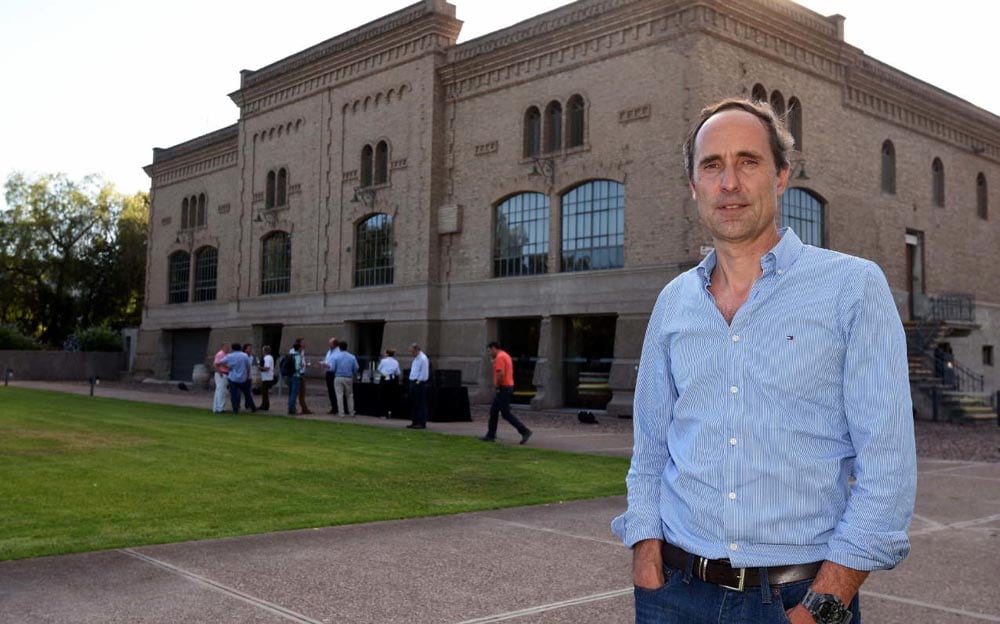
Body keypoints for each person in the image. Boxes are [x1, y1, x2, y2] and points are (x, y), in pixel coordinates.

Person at [611, 98, 916, 624]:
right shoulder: (673, 302)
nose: (729, 182)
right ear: (694, 187)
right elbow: (651, 449)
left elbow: (886, 468)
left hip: (800, 599)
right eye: (712, 166)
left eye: (747, 161)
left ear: (781, 177)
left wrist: (826, 603)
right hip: (675, 596)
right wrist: (645, 548)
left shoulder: (852, 288)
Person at [479, 341, 532, 444]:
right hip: (507, 387)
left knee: (505, 414)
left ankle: (524, 431)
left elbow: (501, 374)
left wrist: (497, 386)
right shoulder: (505, 355)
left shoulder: (499, 357)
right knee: (494, 411)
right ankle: (490, 434)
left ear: (494, 348)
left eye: (490, 351)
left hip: (503, 388)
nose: (489, 353)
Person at [218, 343, 256, 414]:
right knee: (247, 393)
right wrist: (247, 376)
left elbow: (220, 362)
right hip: (242, 378)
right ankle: (252, 407)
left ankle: (235, 409)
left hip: (232, 377)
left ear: (232, 349)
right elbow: (248, 367)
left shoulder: (230, 356)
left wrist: (227, 367)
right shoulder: (244, 355)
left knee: (233, 394)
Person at [331, 340, 359, 416]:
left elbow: (332, 368)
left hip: (338, 377)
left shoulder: (336, 357)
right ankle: (351, 412)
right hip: (349, 377)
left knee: (339, 395)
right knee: (349, 395)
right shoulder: (352, 357)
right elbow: (356, 368)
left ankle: (341, 412)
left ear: (339, 347)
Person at [406, 343, 429, 429]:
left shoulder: (423, 359)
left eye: (412, 352)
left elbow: (424, 372)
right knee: (414, 403)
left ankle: (421, 422)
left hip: (419, 383)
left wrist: (418, 382)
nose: (411, 353)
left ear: (416, 350)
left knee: (420, 403)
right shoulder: (416, 359)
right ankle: (415, 421)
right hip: (413, 381)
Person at [377, 348, 402, 418]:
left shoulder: (383, 361)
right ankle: (389, 412)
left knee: (383, 396)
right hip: (392, 380)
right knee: (390, 396)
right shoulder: (396, 362)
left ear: (387, 354)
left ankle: (383, 413)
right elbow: (398, 372)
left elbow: (379, 369)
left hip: (384, 378)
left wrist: (384, 373)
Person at [286, 338, 305, 416]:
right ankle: (292, 409)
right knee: (294, 393)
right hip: (296, 376)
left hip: (289, 376)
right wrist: (301, 365)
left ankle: (290, 408)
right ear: (299, 348)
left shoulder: (290, 354)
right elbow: (297, 367)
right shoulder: (297, 356)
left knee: (290, 393)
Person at [211, 342, 230, 413]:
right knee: (221, 390)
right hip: (221, 373)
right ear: (223, 347)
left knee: (221, 390)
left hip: (225, 373)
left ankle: (218, 407)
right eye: (226, 347)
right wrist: (220, 372)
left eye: (228, 347)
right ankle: (220, 407)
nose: (228, 349)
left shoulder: (226, 354)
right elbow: (216, 364)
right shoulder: (220, 354)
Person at [323, 337, 341, 414]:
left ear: (334, 344)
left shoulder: (338, 352)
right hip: (328, 373)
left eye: (330, 343)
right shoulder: (329, 352)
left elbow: (335, 364)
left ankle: (337, 407)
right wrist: (323, 363)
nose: (329, 344)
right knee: (331, 391)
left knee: (335, 391)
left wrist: (327, 365)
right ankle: (334, 407)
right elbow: (327, 360)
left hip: (334, 373)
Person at [296, 338, 313, 415]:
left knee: (302, 392)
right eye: (303, 342)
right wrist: (303, 365)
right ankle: (302, 409)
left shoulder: (302, 351)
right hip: (298, 374)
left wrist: (305, 364)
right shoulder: (297, 352)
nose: (304, 344)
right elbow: (297, 363)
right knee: (300, 392)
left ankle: (304, 408)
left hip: (302, 373)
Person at [258, 345, 275, 411]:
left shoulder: (267, 358)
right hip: (269, 377)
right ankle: (265, 404)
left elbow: (267, 368)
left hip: (266, 377)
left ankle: (265, 405)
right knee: (265, 392)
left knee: (264, 392)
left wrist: (260, 367)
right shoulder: (270, 357)